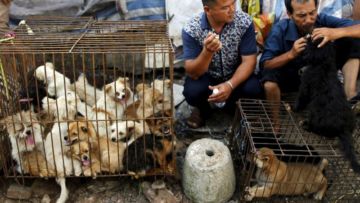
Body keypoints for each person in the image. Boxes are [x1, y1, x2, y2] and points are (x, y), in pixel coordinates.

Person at [261, 0, 360, 132]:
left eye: (312, 13)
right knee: (269, 81)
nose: (308, 20)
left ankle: (350, 97)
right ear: (290, 14)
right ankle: (276, 125)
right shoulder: (280, 29)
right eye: (302, 15)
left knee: (353, 40)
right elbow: (266, 64)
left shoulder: (322, 20)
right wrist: (290, 54)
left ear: (316, 8)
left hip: (317, 76)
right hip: (290, 78)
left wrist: (335, 33)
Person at [182, 0, 262, 128]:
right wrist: (207, 52)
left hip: (235, 75)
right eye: (225, 7)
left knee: (254, 88)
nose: (232, 10)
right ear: (208, 10)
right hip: (207, 77)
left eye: (233, 3)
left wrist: (230, 85)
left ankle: (232, 107)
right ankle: (203, 110)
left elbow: (249, 61)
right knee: (192, 91)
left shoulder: (244, 22)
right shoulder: (192, 28)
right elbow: (193, 72)